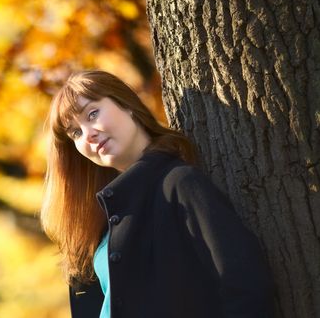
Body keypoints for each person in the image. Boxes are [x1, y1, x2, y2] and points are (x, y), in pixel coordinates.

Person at [40, 70, 274, 318]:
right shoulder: (99, 216)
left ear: (126, 104)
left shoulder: (180, 185)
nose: (88, 134)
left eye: (93, 114)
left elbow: (246, 285)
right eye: (75, 132)